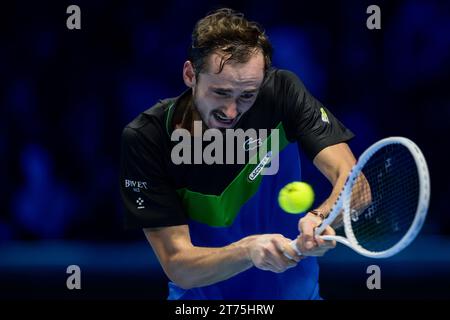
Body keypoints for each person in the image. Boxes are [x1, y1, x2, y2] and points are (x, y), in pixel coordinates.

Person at [120, 8, 356, 299]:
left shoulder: (283, 92)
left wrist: (321, 219)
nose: (231, 111)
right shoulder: (148, 137)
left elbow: (355, 182)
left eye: (247, 95)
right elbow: (178, 265)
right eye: (220, 93)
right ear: (190, 74)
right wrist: (248, 251)